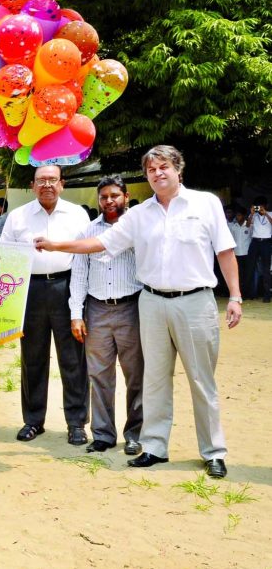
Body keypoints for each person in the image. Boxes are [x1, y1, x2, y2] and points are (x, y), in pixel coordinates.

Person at [35, 145, 241, 479]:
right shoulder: (139, 214)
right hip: (151, 303)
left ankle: (213, 452)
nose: (158, 174)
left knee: (202, 381)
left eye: (164, 167)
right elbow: (100, 243)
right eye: (151, 170)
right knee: (154, 379)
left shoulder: (206, 204)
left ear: (178, 169)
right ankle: (155, 447)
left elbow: (226, 250)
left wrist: (235, 296)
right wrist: (56, 245)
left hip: (195, 302)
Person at [0, 164, 90, 445]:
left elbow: (85, 258)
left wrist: (79, 304)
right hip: (30, 290)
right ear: (32, 185)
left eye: (52, 180)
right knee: (33, 358)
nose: (47, 185)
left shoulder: (77, 215)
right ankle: (33, 420)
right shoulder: (18, 217)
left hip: (67, 287)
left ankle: (76, 422)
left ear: (62, 184)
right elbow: (3, 255)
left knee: (73, 358)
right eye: (41, 180)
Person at [67, 177, 144, 456]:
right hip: (96, 310)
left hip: (131, 308)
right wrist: (77, 315)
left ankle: (135, 434)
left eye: (114, 195)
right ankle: (102, 435)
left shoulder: (137, 229)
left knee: (136, 375)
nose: (109, 201)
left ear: (126, 195)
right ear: (98, 200)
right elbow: (78, 275)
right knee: (99, 375)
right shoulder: (87, 232)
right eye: (104, 197)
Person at [245, 196, 271, 302]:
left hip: (266, 242)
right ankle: (248, 293)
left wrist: (266, 214)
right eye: (257, 206)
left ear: (266, 206)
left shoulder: (270, 214)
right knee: (250, 268)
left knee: (266, 269)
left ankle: (267, 295)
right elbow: (247, 225)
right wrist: (251, 213)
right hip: (255, 242)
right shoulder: (253, 215)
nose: (259, 208)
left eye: (261, 206)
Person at [228, 205, 251, 298]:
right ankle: (240, 293)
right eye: (237, 216)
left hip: (247, 253)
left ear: (244, 216)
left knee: (247, 274)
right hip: (237, 254)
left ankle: (248, 293)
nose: (238, 217)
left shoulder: (249, 226)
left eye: (240, 215)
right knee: (238, 274)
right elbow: (232, 240)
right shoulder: (234, 227)